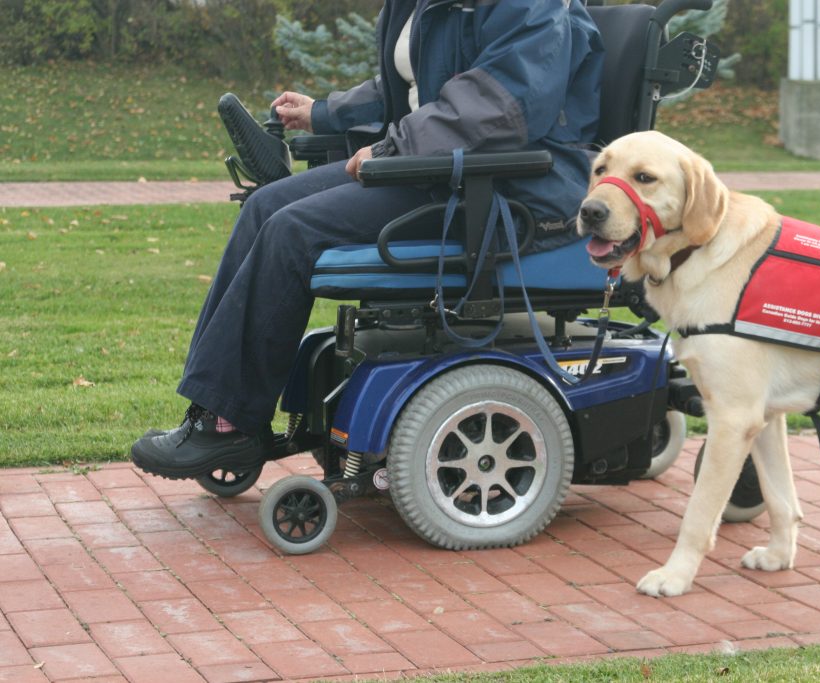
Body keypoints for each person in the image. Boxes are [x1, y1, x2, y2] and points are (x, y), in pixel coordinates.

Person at [130, 0, 605, 479]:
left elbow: (505, 107)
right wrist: (323, 112)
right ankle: (216, 415)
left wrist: (392, 148)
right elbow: (410, 87)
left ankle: (227, 426)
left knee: (292, 232)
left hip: (503, 185)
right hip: (434, 167)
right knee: (265, 206)